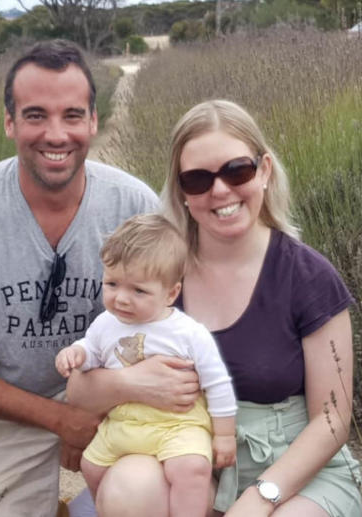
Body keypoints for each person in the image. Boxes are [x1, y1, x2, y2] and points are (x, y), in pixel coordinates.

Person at [66, 99, 361, 517]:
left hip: (297, 473)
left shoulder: (308, 277)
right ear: (182, 192)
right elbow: (78, 391)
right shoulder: (157, 277)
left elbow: (332, 420)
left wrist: (260, 498)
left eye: (237, 170)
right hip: (187, 454)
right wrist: (133, 383)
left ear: (265, 171)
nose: (220, 190)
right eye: (198, 179)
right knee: (129, 487)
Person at [0, 39, 162, 516]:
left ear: (93, 121)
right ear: (10, 123)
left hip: (109, 401)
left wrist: (98, 404)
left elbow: (169, 326)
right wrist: (61, 419)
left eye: (71, 115)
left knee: (153, 494)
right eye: (35, 115)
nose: (55, 134)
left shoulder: (133, 206)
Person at [55, 213, 237, 517]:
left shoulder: (188, 333)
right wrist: (76, 353)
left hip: (177, 424)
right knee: (90, 464)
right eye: (112, 284)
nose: (122, 299)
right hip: (124, 422)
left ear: (171, 293)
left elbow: (217, 383)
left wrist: (224, 434)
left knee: (192, 469)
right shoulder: (105, 324)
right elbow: (92, 349)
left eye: (138, 290)